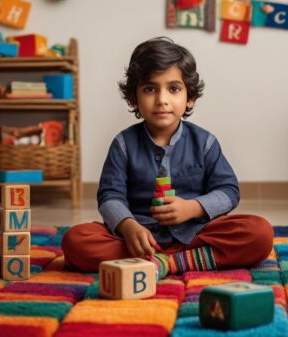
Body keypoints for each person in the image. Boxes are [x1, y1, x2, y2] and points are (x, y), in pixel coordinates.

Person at [62, 37, 273, 279]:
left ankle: (168, 262)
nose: (162, 99)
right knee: (76, 241)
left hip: (196, 234)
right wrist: (129, 226)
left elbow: (228, 191)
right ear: (134, 99)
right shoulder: (123, 144)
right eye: (150, 89)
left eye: (173, 89)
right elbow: (110, 196)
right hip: (139, 238)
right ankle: (171, 258)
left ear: (190, 97)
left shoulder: (205, 142)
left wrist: (192, 208)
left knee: (259, 232)